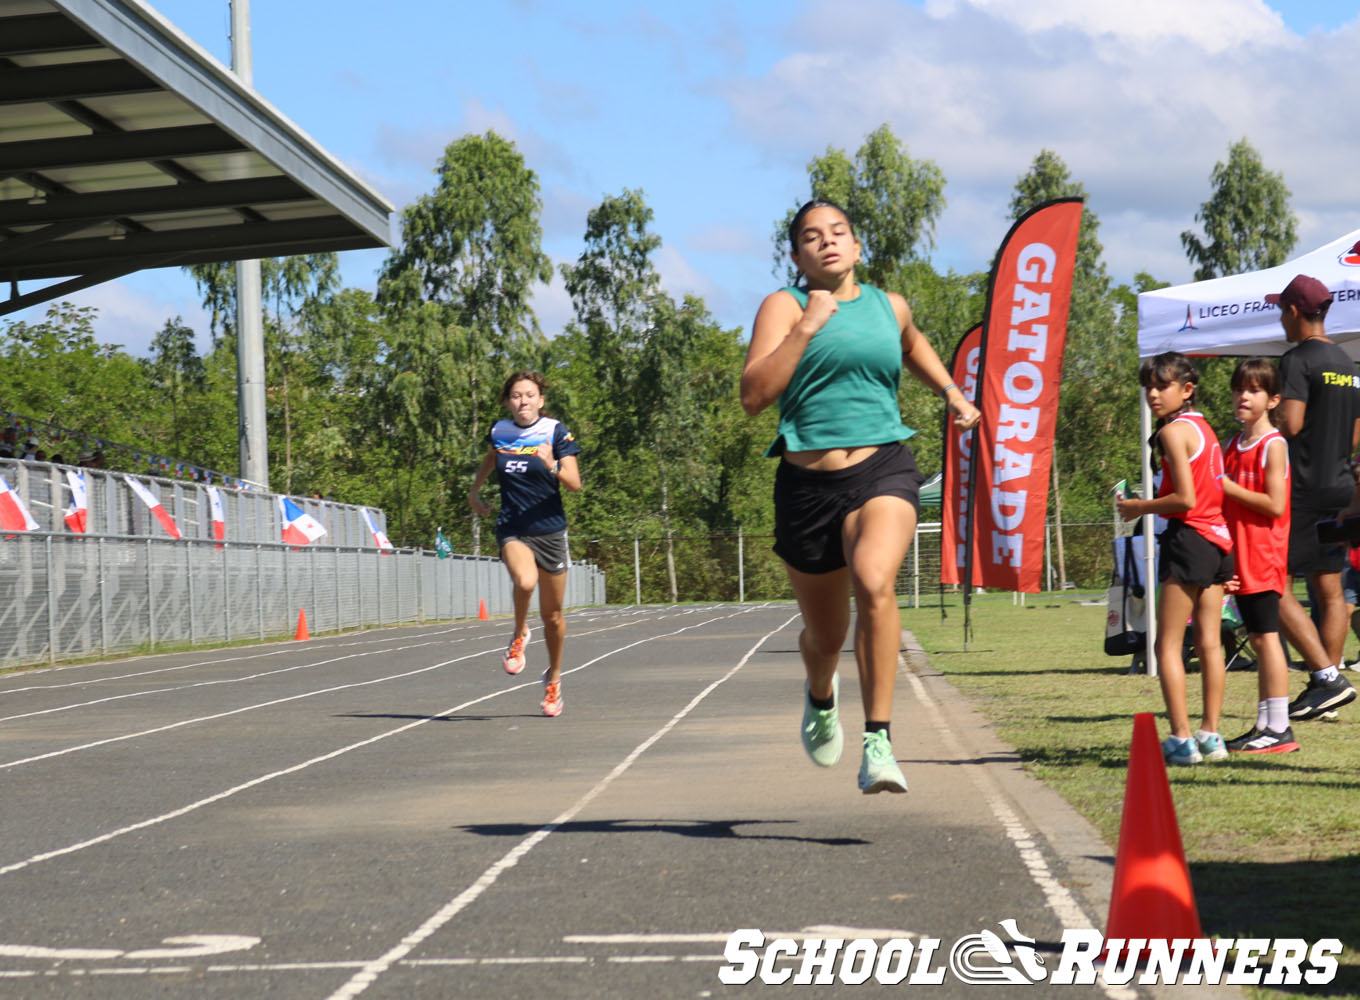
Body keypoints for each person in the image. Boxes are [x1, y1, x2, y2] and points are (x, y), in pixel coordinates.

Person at [740, 199, 980, 794]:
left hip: (883, 465)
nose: (828, 243)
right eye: (812, 238)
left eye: (839, 233)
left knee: (874, 580)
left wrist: (950, 390)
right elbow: (753, 396)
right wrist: (806, 327)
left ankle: (879, 742)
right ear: (797, 256)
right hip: (807, 486)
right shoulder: (784, 306)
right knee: (825, 637)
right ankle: (821, 695)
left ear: (857, 246)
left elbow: (910, 341)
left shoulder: (887, 304)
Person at [1117, 353, 1233, 765]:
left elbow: (1185, 497)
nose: (1152, 393)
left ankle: (1181, 739)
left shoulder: (1173, 433)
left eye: (1161, 386)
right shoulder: (1205, 428)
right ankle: (1211, 736)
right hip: (1218, 540)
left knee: (1165, 644)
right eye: (1148, 386)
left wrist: (1139, 507)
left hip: (1189, 540)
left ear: (1186, 390)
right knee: (1210, 644)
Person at [1270, 274, 1359, 720]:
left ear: (1293, 312)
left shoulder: (1296, 360)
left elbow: (1293, 425)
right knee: (1330, 589)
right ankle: (1326, 690)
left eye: (1280, 312)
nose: (1280, 322)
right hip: (1342, 487)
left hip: (1302, 489)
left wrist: (1273, 410)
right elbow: (1357, 434)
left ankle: (1326, 676)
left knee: (1270, 584)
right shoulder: (1348, 364)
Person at [468, 371, 582, 718]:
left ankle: (554, 677)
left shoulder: (554, 432)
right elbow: (492, 457)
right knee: (525, 581)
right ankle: (519, 634)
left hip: (550, 532)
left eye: (530, 395)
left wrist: (552, 466)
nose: (523, 402)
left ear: (540, 400)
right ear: (508, 401)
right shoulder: (499, 431)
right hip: (513, 526)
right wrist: (475, 490)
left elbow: (575, 484)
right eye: (516, 396)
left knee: (554, 617)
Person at [1218, 358, 1299, 753]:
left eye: (1253, 390)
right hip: (1239, 556)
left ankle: (1280, 728)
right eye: (1238, 389)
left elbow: (1275, 504)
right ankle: (1265, 724)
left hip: (1264, 554)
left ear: (1273, 400)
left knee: (1267, 640)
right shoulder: (1233, 444)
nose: (1243, 396)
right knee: (1257, 635)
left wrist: (1229, 489)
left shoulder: (1274, 444)